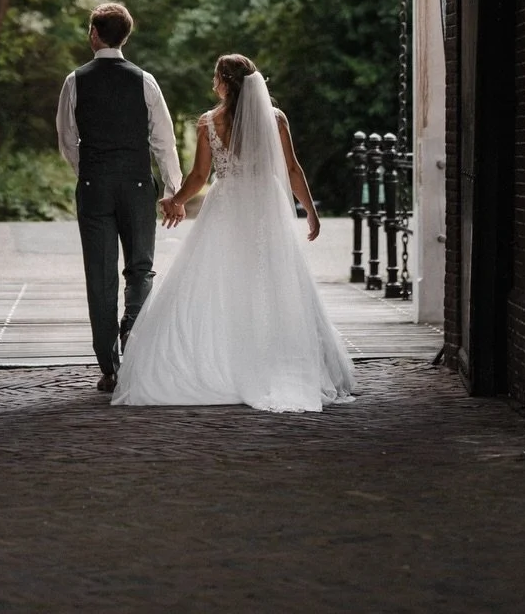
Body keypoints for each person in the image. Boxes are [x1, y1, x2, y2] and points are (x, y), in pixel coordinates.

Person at [112, 52, 356, 412]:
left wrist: (174, 200)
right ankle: (274, 359)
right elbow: (291, 168)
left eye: (215, 77)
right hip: (265, 207)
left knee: (225, 282)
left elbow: (199, 178)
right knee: (273, 280)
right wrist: (311, 213)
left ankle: (226, 360)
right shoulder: (275, 118)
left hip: (226, 208)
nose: (213, 83)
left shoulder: (210, 123)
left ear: (225, 82)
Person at [56, 2, 182, 394]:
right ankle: (133, 330)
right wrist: (173, 188)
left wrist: (90, 171)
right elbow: (163, 138)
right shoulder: (144, 81)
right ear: (124, 36)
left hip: (95, 186)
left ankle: (109, 368)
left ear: (94, 33)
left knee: (100, 274)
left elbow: (67, 140)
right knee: (140, 268)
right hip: (137, 186)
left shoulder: (74, 81)